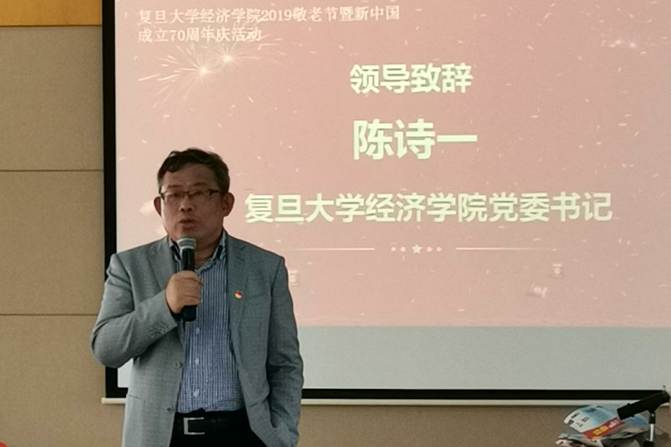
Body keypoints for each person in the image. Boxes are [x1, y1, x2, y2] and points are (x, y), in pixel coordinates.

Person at [91, 148, 303, 447]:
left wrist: (282, 435)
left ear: (226, 203)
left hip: (243, 434)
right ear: (159, 205)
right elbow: (106, 349)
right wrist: (164, 306)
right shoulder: (130, 266)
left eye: (199, 193)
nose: (185, 205)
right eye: (174, 195)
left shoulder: (265, 268)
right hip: (160, 437)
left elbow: (284, 363)